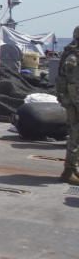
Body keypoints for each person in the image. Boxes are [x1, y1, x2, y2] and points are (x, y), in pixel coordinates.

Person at [56, 25, 79, 185]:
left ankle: (72, 168)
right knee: (75, 135)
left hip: (72, 101)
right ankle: (69, 170)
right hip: (74, 103)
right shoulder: (73, 58)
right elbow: (73, 84)